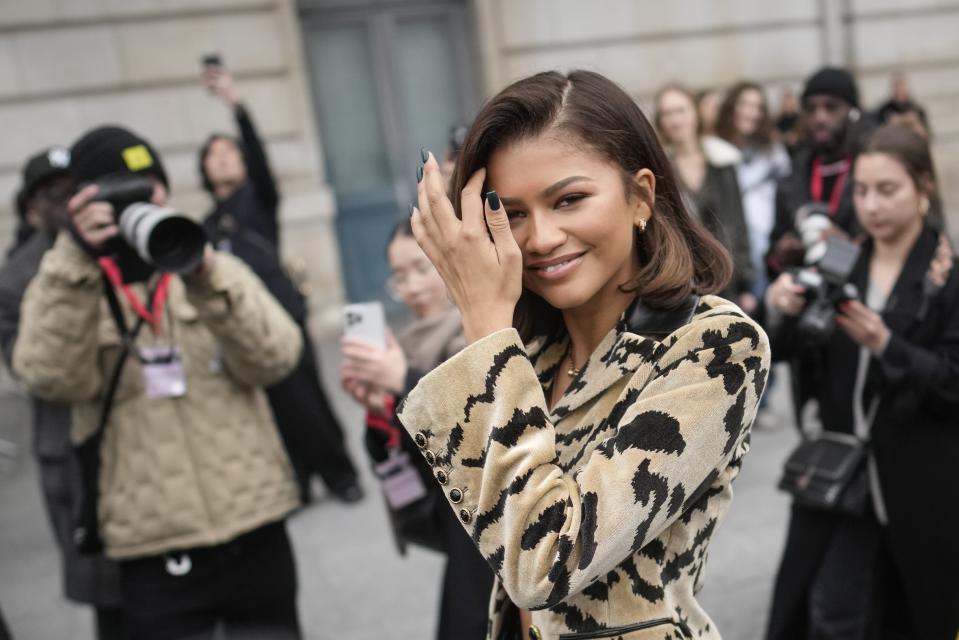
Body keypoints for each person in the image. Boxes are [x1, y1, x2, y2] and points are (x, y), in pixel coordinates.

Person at [398, 70, 770, 640]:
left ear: (640, 196)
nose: (541, 238)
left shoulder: (714, 345)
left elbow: (546, 563)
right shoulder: (531, 352)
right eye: (512, 214)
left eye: (569, 200)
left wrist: (483, 328)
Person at [12, 125, 305, 639]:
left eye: (148, 188)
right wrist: (75, 258)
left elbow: (278, 357)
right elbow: (48, 377)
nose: (137, 205)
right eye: (116, 194)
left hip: (254, 526)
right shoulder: (65, 286)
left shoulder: (211, 265)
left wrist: (206, 273)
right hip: (152, 548)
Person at [763, 124, 959, 639]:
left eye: (887, 190)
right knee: (832, 613)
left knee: (916, 613)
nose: (871, 205)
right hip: (839, 476)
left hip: (918, 482)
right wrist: (780, 309)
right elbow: (785, 349)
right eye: (863, 190)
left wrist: (886, 345)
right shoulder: (841, 261)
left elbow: (952, 384)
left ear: (923, 188)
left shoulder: (946, 276)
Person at [197, 62, 362, 503]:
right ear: (204, 170)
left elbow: (261, 163)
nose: (224, 158)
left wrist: (236, 105)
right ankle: (299, 478)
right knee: (271, 407)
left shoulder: (257, 200)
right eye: (214, 154)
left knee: (308, 397)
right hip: (245, 327)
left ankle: (341, 474)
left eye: (230, 151)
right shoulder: (207, 225)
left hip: (283, 316)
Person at [340, 219, 494, 640]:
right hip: (454, 522)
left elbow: (479, 431)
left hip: (492, 531)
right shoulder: (407, 342)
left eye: (421, 268)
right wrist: (378, 414)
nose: (411, 287)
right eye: (399, 276)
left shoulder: (479, 331)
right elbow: (412, 454)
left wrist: (403, 378)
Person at [0, 148, 124, 639]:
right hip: (71, 449)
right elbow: (32, 370)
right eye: (54, 194)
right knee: (106, 593)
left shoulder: (114, 244)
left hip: (130, 426)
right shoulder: (14, 280)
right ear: (31, 210)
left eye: (75, 186)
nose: (68, 200)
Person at [655, 83, 757, 314]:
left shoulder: (722, 160)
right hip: (684, 284)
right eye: (666, 113)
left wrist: (747, 284)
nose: (674, 119)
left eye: (680, 110)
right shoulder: (659, 168)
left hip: (727, 277)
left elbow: (738, 222)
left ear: (695, 114)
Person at [766, 67, 864, 281]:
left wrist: (846, 247)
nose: (819, 117)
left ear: (853, 112)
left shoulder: (871, 172)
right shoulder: (791, 178)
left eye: (831, 107)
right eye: (811, 109)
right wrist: (781, 254)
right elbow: (771, 260)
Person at [715, 82, 792, 306]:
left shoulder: (772, 150)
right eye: (745, 104)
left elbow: (786, 195)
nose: (751, 112)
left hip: (768, 250)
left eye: (757, 106)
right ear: (732, 108)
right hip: (730, 253)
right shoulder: (717, 151)